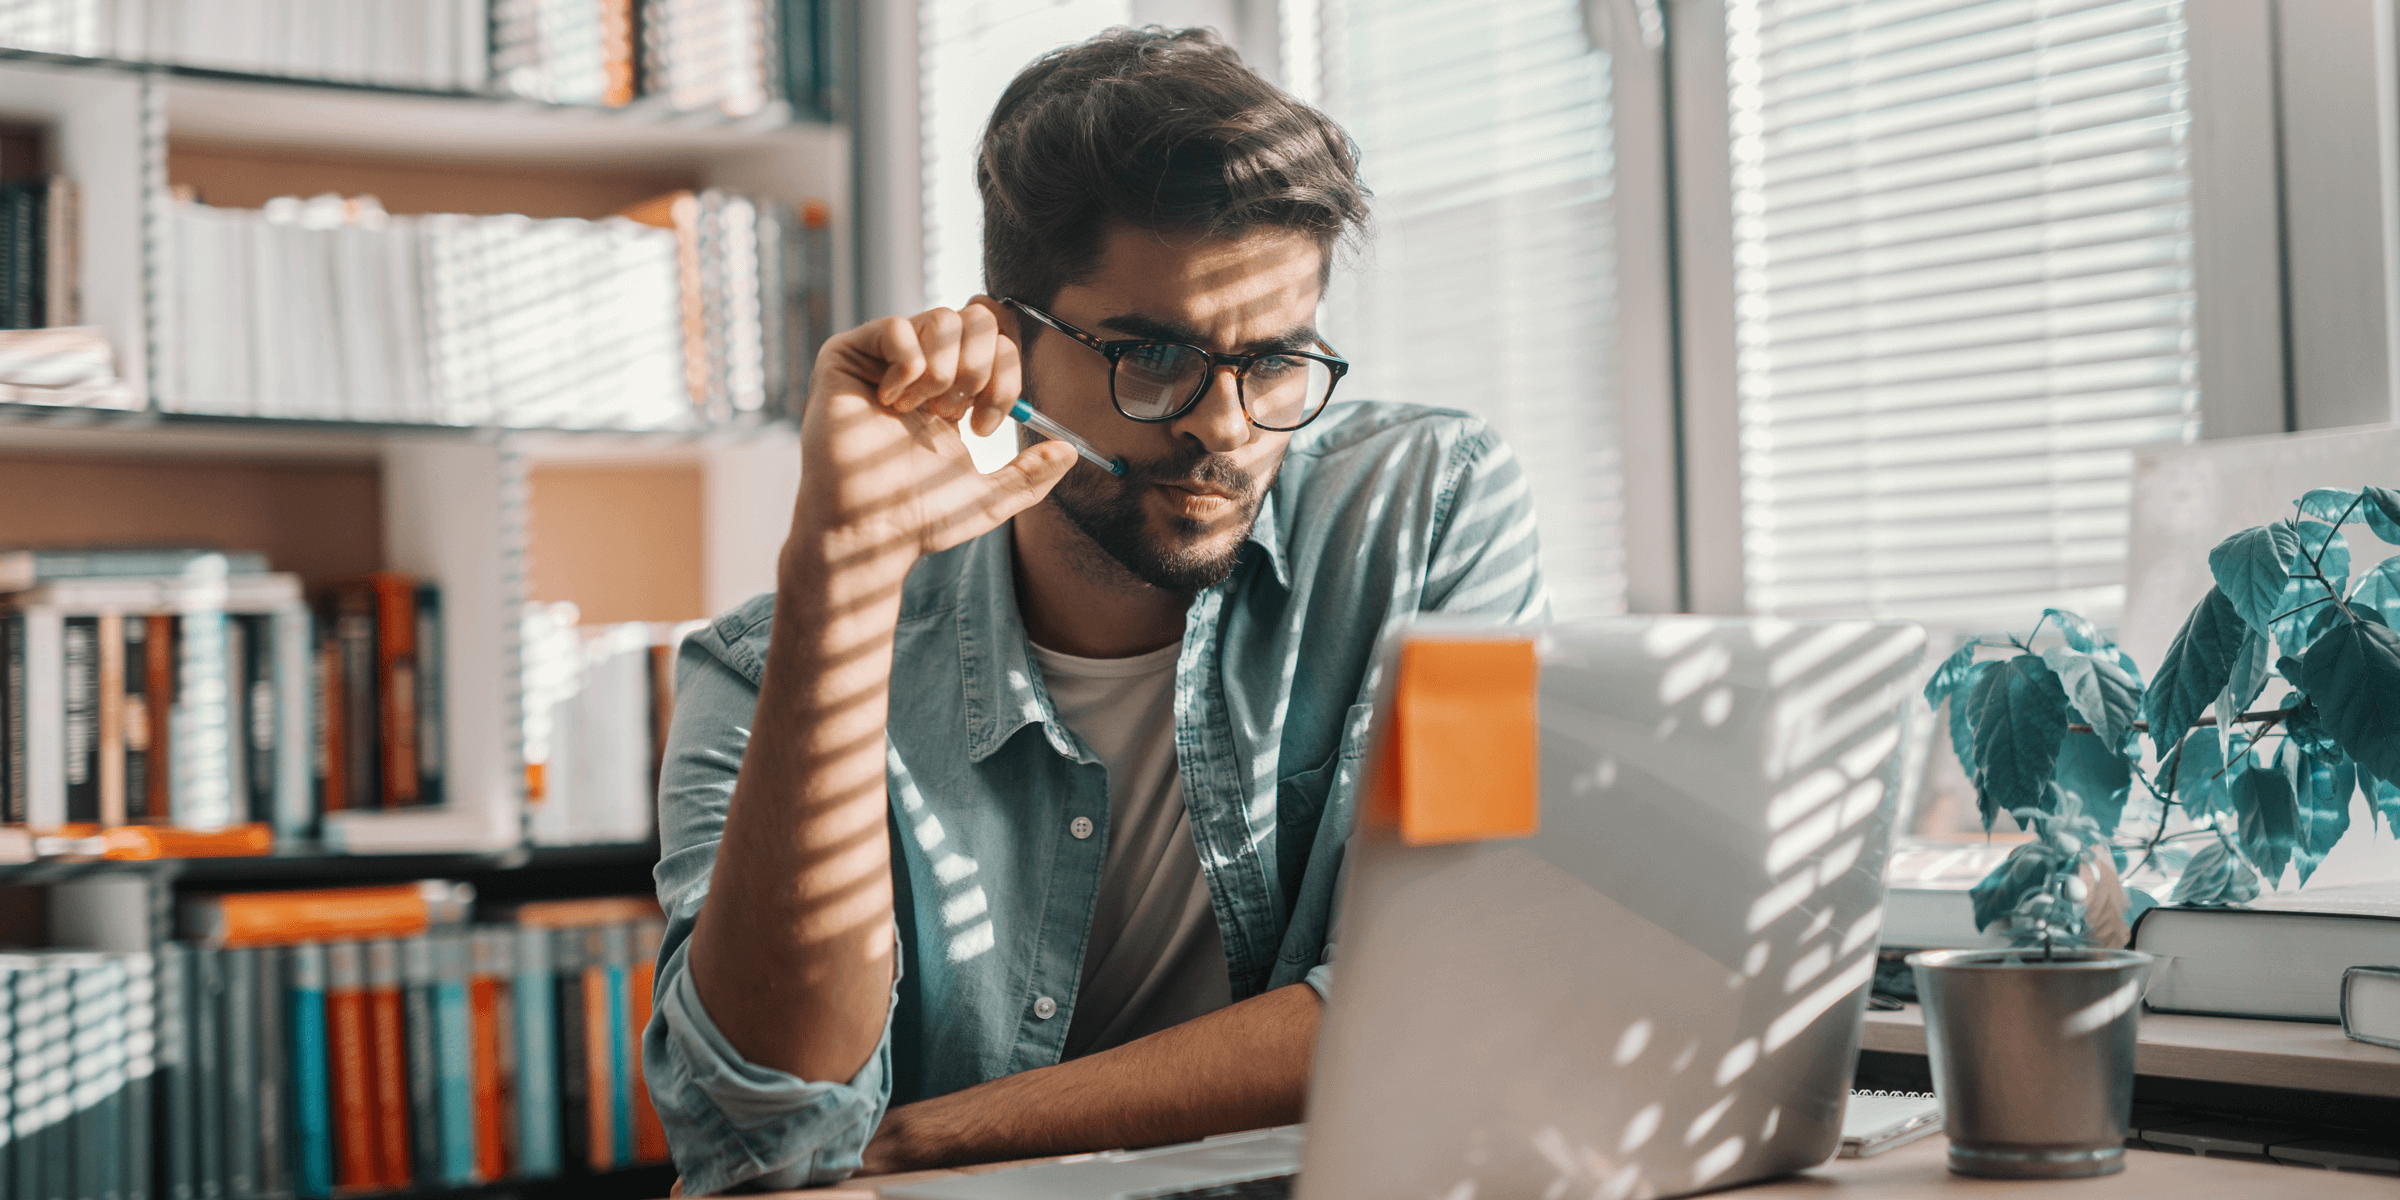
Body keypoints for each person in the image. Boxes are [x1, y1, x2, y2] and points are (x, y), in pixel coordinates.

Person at [645, 26, 1548, 1193]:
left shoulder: (1427, 514)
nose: (1223, 428)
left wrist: (927, 1135)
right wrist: (840, 577)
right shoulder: (764, 672)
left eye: (1276, 360)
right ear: (1009, 345)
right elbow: (759, 1135)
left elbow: (1444, 994)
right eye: (1152, 356)